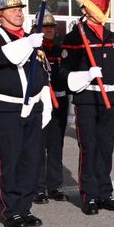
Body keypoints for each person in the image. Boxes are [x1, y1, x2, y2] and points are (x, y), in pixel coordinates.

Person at [0, 0, 51, 227]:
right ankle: (11, 211)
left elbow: (40, 72)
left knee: (31, 160)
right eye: (12, 9)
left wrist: (44, 102)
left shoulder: (32, 37)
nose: (18, 12)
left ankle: (25, 207)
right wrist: (27, 43)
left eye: (20, 8)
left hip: (33, 107)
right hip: (7, 108)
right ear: (0, 14)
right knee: (10, 160)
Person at [63, 3, 114, 214]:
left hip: (109, 99)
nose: (100, 11)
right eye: (94, 6)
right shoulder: (74, 37)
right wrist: (86, 75)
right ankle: (89, 196)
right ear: (84, 10)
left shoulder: (111, 36)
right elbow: (63, 73)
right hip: (87, 98)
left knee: (106, 149)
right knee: (89, 148)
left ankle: (105, 193)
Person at [35, 11, 69, 204]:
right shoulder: (33, 49)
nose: (49, 29)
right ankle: (38, 188)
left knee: (56, 147)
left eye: (52, 26)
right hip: (40, 103)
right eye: (45, 26)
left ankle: (55, 186)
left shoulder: (60, 50)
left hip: (59, 103)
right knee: (38, 147)